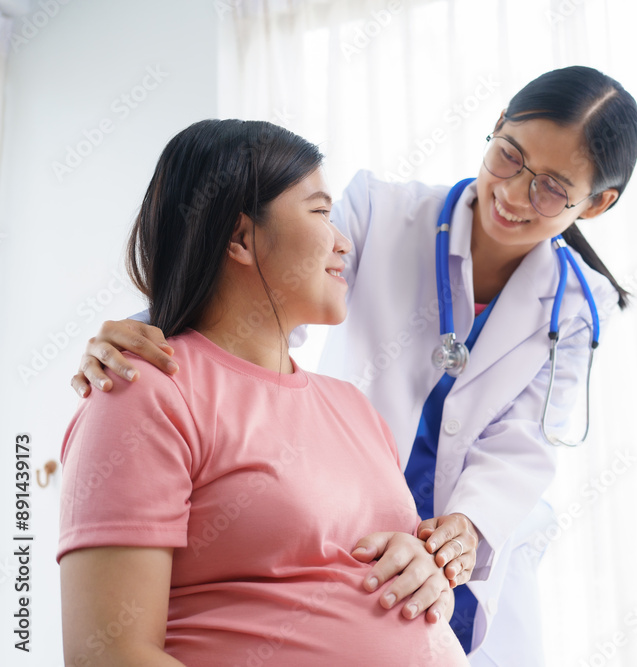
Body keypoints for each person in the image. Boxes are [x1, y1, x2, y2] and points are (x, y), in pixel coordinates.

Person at [70, 65, 637, 666]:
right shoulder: (383, 213)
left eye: (551, 187)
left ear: (597, 203)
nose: (514, 193)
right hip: (325, 504)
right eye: (509, 156)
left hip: (436, 534)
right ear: (496, 126)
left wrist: (467, 526)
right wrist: (149, 332)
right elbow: (265, 279)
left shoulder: (579, 306)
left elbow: (521, 442)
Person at [58, 119, 470, 666]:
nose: (345, 243)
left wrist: (423, 570)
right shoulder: (141, 393)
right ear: (241, 237)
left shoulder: (352, 407)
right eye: (322, 212)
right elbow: (108, 655)